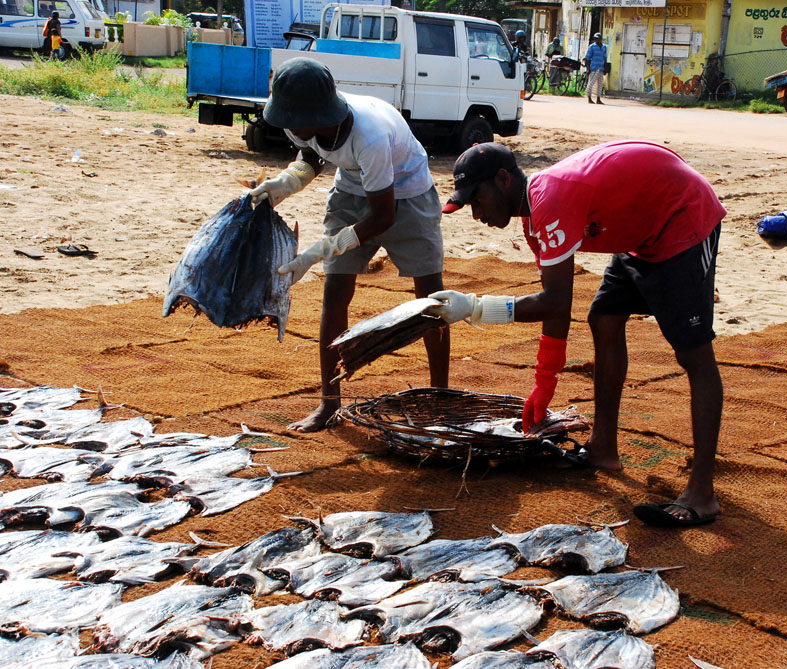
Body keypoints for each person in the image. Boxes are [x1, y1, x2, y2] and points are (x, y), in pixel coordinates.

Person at [429, 141, 727, 527]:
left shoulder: (550, 199)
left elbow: (554, 303)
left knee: (692, 353)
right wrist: (543, 384)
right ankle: (603, 449)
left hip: (683, 218)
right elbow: (557, 308)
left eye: (477, 200)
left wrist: (474, 307)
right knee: (604, 318)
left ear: (503, 180)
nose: (477, 213)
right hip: (639, 231)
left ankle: (702, 494)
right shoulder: (534, 219)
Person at [248, 58, 450, 432]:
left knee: (430, 296)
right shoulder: (302, 123)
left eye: (294, 120)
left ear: (320, 114)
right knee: (335, 291)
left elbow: (382, 218)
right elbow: (311, 154)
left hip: (407, 196)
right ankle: (329, 404)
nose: (289, 127)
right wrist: (287, 183)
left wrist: (315, 252)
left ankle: (440, 397)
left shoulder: (370, 135)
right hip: (351, 191)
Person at [583, 32, 608, 104]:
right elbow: (587, 58)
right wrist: (588, 69)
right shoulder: (591, 47)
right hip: (594, 67)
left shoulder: (604, 47)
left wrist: (605, 68)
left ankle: (598, 99)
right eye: (595, 39)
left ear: (600, 39)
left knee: (600, 84)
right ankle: (589, 98)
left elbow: (605, 58)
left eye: (598, 39)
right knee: (591, 83)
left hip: (601, 67)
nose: (596, 40)